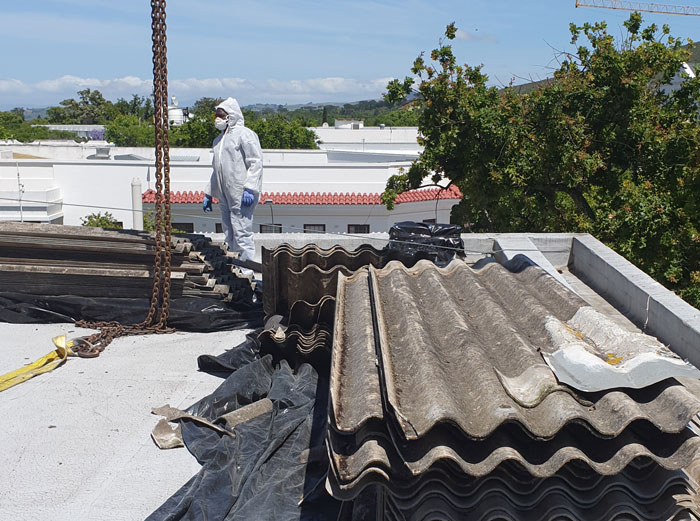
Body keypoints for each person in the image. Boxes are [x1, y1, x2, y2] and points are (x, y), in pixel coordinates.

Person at [202, 97, 263, 264]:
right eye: (216, 115)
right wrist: (209, 193)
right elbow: (218, 170)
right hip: (224, 194)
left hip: (240, 193)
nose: (217, 119)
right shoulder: (219, 140)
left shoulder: (245, 134)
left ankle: (247, 270)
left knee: (242, 232)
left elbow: (255, 162)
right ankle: (234, 266)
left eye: (221, 115)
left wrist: (250, 187)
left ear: (231, 115)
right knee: (229, 232)